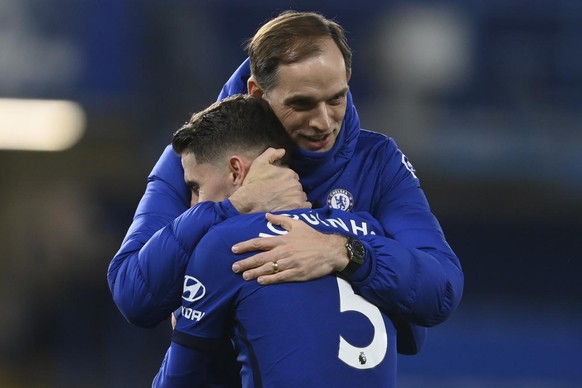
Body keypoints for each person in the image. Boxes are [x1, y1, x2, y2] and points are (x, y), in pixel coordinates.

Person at [107, 10, 463, 357]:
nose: (324, 122)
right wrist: (234, 207)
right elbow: (133, 294)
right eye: (302, 104)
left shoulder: (377, 162)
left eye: (336, 98)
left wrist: (343, 251)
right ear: (257, 93)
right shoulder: (200, 152)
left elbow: (441, 290)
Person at [153, 93, 397, 387]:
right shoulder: (366, 229)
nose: (193, 205)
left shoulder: (226, 243)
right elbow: (413, 335)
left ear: (235, 171)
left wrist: (193, 323)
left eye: (195, 186)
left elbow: (179, 381)